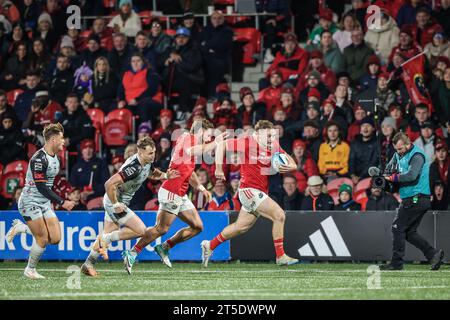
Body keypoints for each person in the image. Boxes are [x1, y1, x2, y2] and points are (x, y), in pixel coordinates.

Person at [121, 120, 226, 272]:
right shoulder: (187, 138)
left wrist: (201, 188)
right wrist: (215, 143)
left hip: (181, 193)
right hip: (172, 190)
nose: (209, 138)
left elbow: (189, 173)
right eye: (208, 135)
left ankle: (165, 247)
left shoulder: (191, 145)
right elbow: (193, 151)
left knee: (197, 227)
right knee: (161, 229)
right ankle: (132, 253)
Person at [202, 120, 299, 267]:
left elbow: (293, 162)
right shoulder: (247, 142)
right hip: (248, 190)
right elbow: (221, 144)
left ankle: (210, 245)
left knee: (240, 227)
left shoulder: (273, 145)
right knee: (279, 215)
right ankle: (280, 256)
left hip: (259, 192)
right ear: (257, 134)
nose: (270, 139)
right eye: (267, 136)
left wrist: (290, 166)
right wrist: (219, 168)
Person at [80, 137, 179, 277]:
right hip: (115, 201)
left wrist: (165, 175)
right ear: (140, 152)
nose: (153, 156)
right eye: (150, 153)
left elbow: (152, 172)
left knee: (107, 232)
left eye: (154, 152)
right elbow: (109, 184)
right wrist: (115, 204)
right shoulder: (133, 167)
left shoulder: (146, 161)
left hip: (116, 201)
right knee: (141, 230)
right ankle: (107, 240)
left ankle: (88, 264)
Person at [5, 123, 75, 279]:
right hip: (29, 202)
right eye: (61, 138)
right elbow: (42, 187)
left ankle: (21, 228)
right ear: (52, 139)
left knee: (55, 238)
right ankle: (30, 269)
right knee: (42, 238)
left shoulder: (56, 158)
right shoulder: (39, 159)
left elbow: (49, 186)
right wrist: (62, 202)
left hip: (44, 203)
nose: (64, 141)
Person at [379, 132, 444, 271]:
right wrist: (383, 176)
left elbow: (411, 175)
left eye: (401, 149)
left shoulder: (417, 155)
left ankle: (396, 263)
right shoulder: (398, 154)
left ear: (408, 144)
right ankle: (433, 254)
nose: (398, 152)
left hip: (417, 198)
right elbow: (389, 170)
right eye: (396, 149)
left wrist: (391, 178)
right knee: (409, 232)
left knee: (397, 228)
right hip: (414, 198)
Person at [161, 27, 204, 114]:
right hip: (175, 78)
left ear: (188, 38)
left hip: (192, 79)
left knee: (183, 83)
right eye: (178, 37)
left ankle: (183, 110)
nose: (180, 39)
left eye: (183, 37)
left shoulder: (194, 50)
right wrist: (168, 60)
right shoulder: (174, 49)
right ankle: (168, 111)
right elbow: (162, 59)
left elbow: (191, 67)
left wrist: (177, 61)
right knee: (160, 83)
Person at [117, 52, 162, 127]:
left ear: (143, 62)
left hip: (149, 100)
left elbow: (152, 89)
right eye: (133, 61)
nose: (135, 63)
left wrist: (137, 99)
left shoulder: (150, 73)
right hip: (131, 103)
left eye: (138, 61)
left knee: (144, 105)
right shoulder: (126, 74)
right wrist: (121, 100)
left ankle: (146, 127)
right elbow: (120, 90)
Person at [199, 11, 233, 98]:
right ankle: (201, 96)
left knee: (213, 67)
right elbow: (199, 44)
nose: (216, 20)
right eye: (214, 18)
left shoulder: (227, 30)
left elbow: (223, 46)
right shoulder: (206, 29)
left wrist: (207, 45)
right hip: (206, 56)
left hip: (221, 58)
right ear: (210, 19)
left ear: (223, 19)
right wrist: (209, 47)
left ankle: (213, 95)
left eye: (219, 18)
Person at [349, 117, 381, 184]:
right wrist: (353, 175)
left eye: (368, 126)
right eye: (363, 126)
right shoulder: (355, 142)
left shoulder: (377, 143)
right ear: (360, 129)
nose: (365, 128)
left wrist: (360, 177)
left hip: (369, 176)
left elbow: (373, 162)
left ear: (373, 128)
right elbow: (351, 161)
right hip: (354, 177)